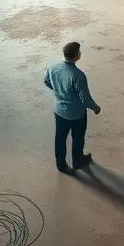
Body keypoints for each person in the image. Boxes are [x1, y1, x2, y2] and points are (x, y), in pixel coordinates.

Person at [44, 42, 101, 174]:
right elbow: (85, 99)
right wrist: (95, 108)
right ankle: (77, 161)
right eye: (79, 52)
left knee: (60, 137)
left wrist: (58, 91)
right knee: (78, 138)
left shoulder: (52, 67)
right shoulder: (78, 76)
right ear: (76, 56)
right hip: (76, 114)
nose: (80, 53)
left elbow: (46, 81)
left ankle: (61, 164)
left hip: (59, 111)